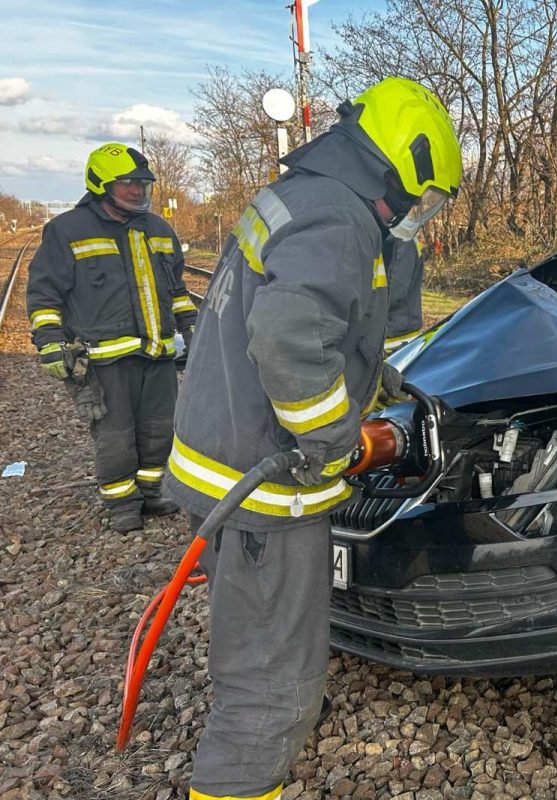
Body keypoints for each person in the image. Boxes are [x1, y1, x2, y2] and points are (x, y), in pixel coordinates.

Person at [163, 76, 461, 800]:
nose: (418, 216)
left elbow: (311, 318)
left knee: (259, 637)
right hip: (267, 483)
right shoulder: (341, 218)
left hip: (223, 450)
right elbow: (291, 339)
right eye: (422, 199)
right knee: (270, 686)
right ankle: (239, 773)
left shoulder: (304, 194)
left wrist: (379, 378)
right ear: (397, 169)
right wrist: (340, 440)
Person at [27, 143, 195, 533]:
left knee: (159, 430)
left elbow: (177, 291)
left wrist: (192, 326)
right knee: (116, 436)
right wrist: (49, 340)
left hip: (157, 354)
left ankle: (152, 492)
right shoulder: (67, 230)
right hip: (102, 360)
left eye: (142, 184)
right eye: (127, 184)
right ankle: (122, 504)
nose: (138, 191)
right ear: (101, 185)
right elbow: (44, 292)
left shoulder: (159, 229)